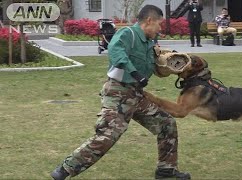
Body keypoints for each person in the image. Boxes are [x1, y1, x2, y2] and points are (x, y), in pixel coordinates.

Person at [50, 5, 191, 180]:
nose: (160, 29)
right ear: (149, 21)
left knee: (166, 124)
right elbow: (116, 51)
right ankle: (65, 170)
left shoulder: (149, 43)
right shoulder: (127, 34)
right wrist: (134, 73)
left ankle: (166, 170)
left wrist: (171, 65)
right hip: (118, 92)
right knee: (108, 135)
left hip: (137, 95)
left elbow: (156, 67)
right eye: (159, 24)